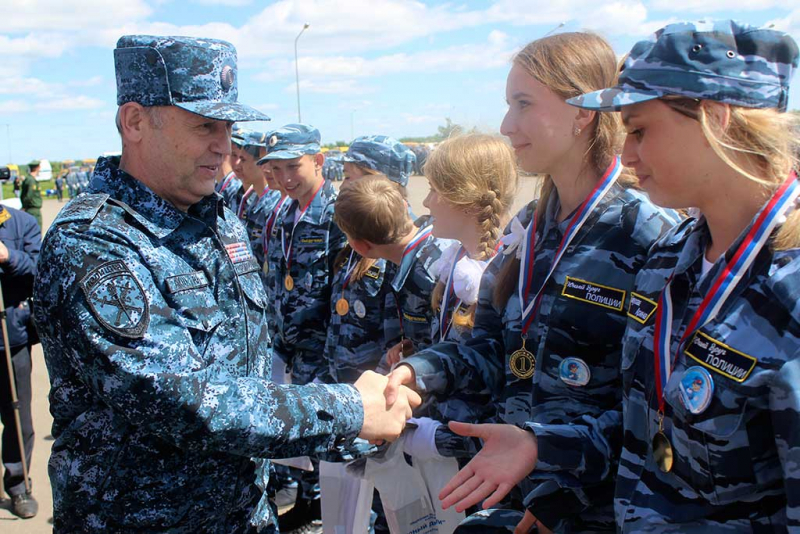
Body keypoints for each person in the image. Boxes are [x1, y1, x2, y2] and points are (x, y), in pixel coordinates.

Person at [32, 34, 421, 533]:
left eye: (228, 126)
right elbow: (181, 399)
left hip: (243, 514)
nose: (225, 144)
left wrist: (365, 418)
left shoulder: (218, 221)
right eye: (204, 126)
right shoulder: (93, 243)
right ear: (134, 122)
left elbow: (245, 379)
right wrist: (347, 409)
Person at [386, 31, 678, 533]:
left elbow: (654, 414)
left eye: (523, 104)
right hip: (515, 492)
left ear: (583, 111)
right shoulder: (531, 226)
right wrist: (416, 372)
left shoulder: (648, 234)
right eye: (508, 105)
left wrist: (559, 497)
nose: (506, 126)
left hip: (593, 510)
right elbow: (488, 349)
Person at [0, 204, 41, 519]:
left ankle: (18, 485)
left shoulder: (20, 222)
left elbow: (39, 268)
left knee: (17, 417)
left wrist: (7, 257)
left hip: (9, 337)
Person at [20, 162, 43, 227]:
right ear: (38, 168)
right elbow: (29, 195)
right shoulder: (31, 180)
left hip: (32, 209)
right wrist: (24, 206)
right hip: (32, 210)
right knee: (36, 230)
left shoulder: (30, 179)